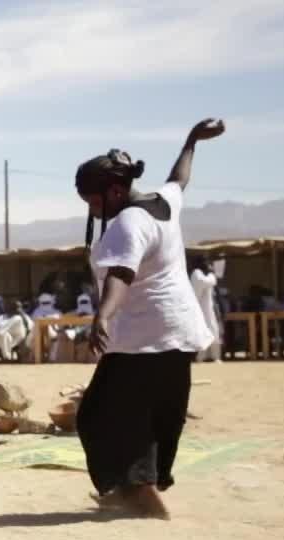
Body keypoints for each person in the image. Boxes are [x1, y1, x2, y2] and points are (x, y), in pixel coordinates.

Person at [75, 118, 224, 519]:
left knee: (100, 415)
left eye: (93, 202)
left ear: (115, 191)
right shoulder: (163, 201)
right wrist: (192, 141)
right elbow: (180, 179)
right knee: (158, 413)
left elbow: (121, 274)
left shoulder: (129, 223)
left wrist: (102, 316)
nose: (91, 209)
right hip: (178, 331)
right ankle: (137, 490)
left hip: (143, 335)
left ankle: (140, 496)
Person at [190, 256, 222, 362]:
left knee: (213, 331)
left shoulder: (204, 274)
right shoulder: (196, 273)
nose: (208, 265)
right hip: (200, 309)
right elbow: (205, 282)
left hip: (208, 309)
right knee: (202, 332)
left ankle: (215, 356)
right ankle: (201, 357)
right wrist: (212, 275)